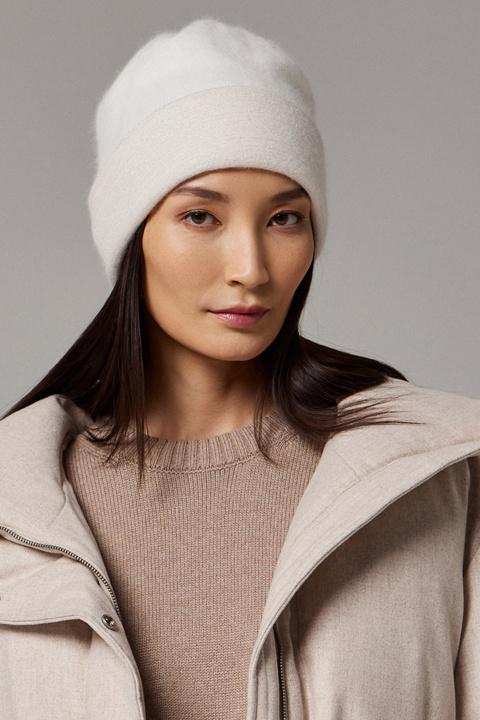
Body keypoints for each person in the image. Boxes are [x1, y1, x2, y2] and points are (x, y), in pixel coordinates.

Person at [0, 16, 479, 720]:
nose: (251, 269)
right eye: (201, 217)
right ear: (133, 236)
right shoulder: (16, 506)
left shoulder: (436, 476)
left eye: (285, 219)